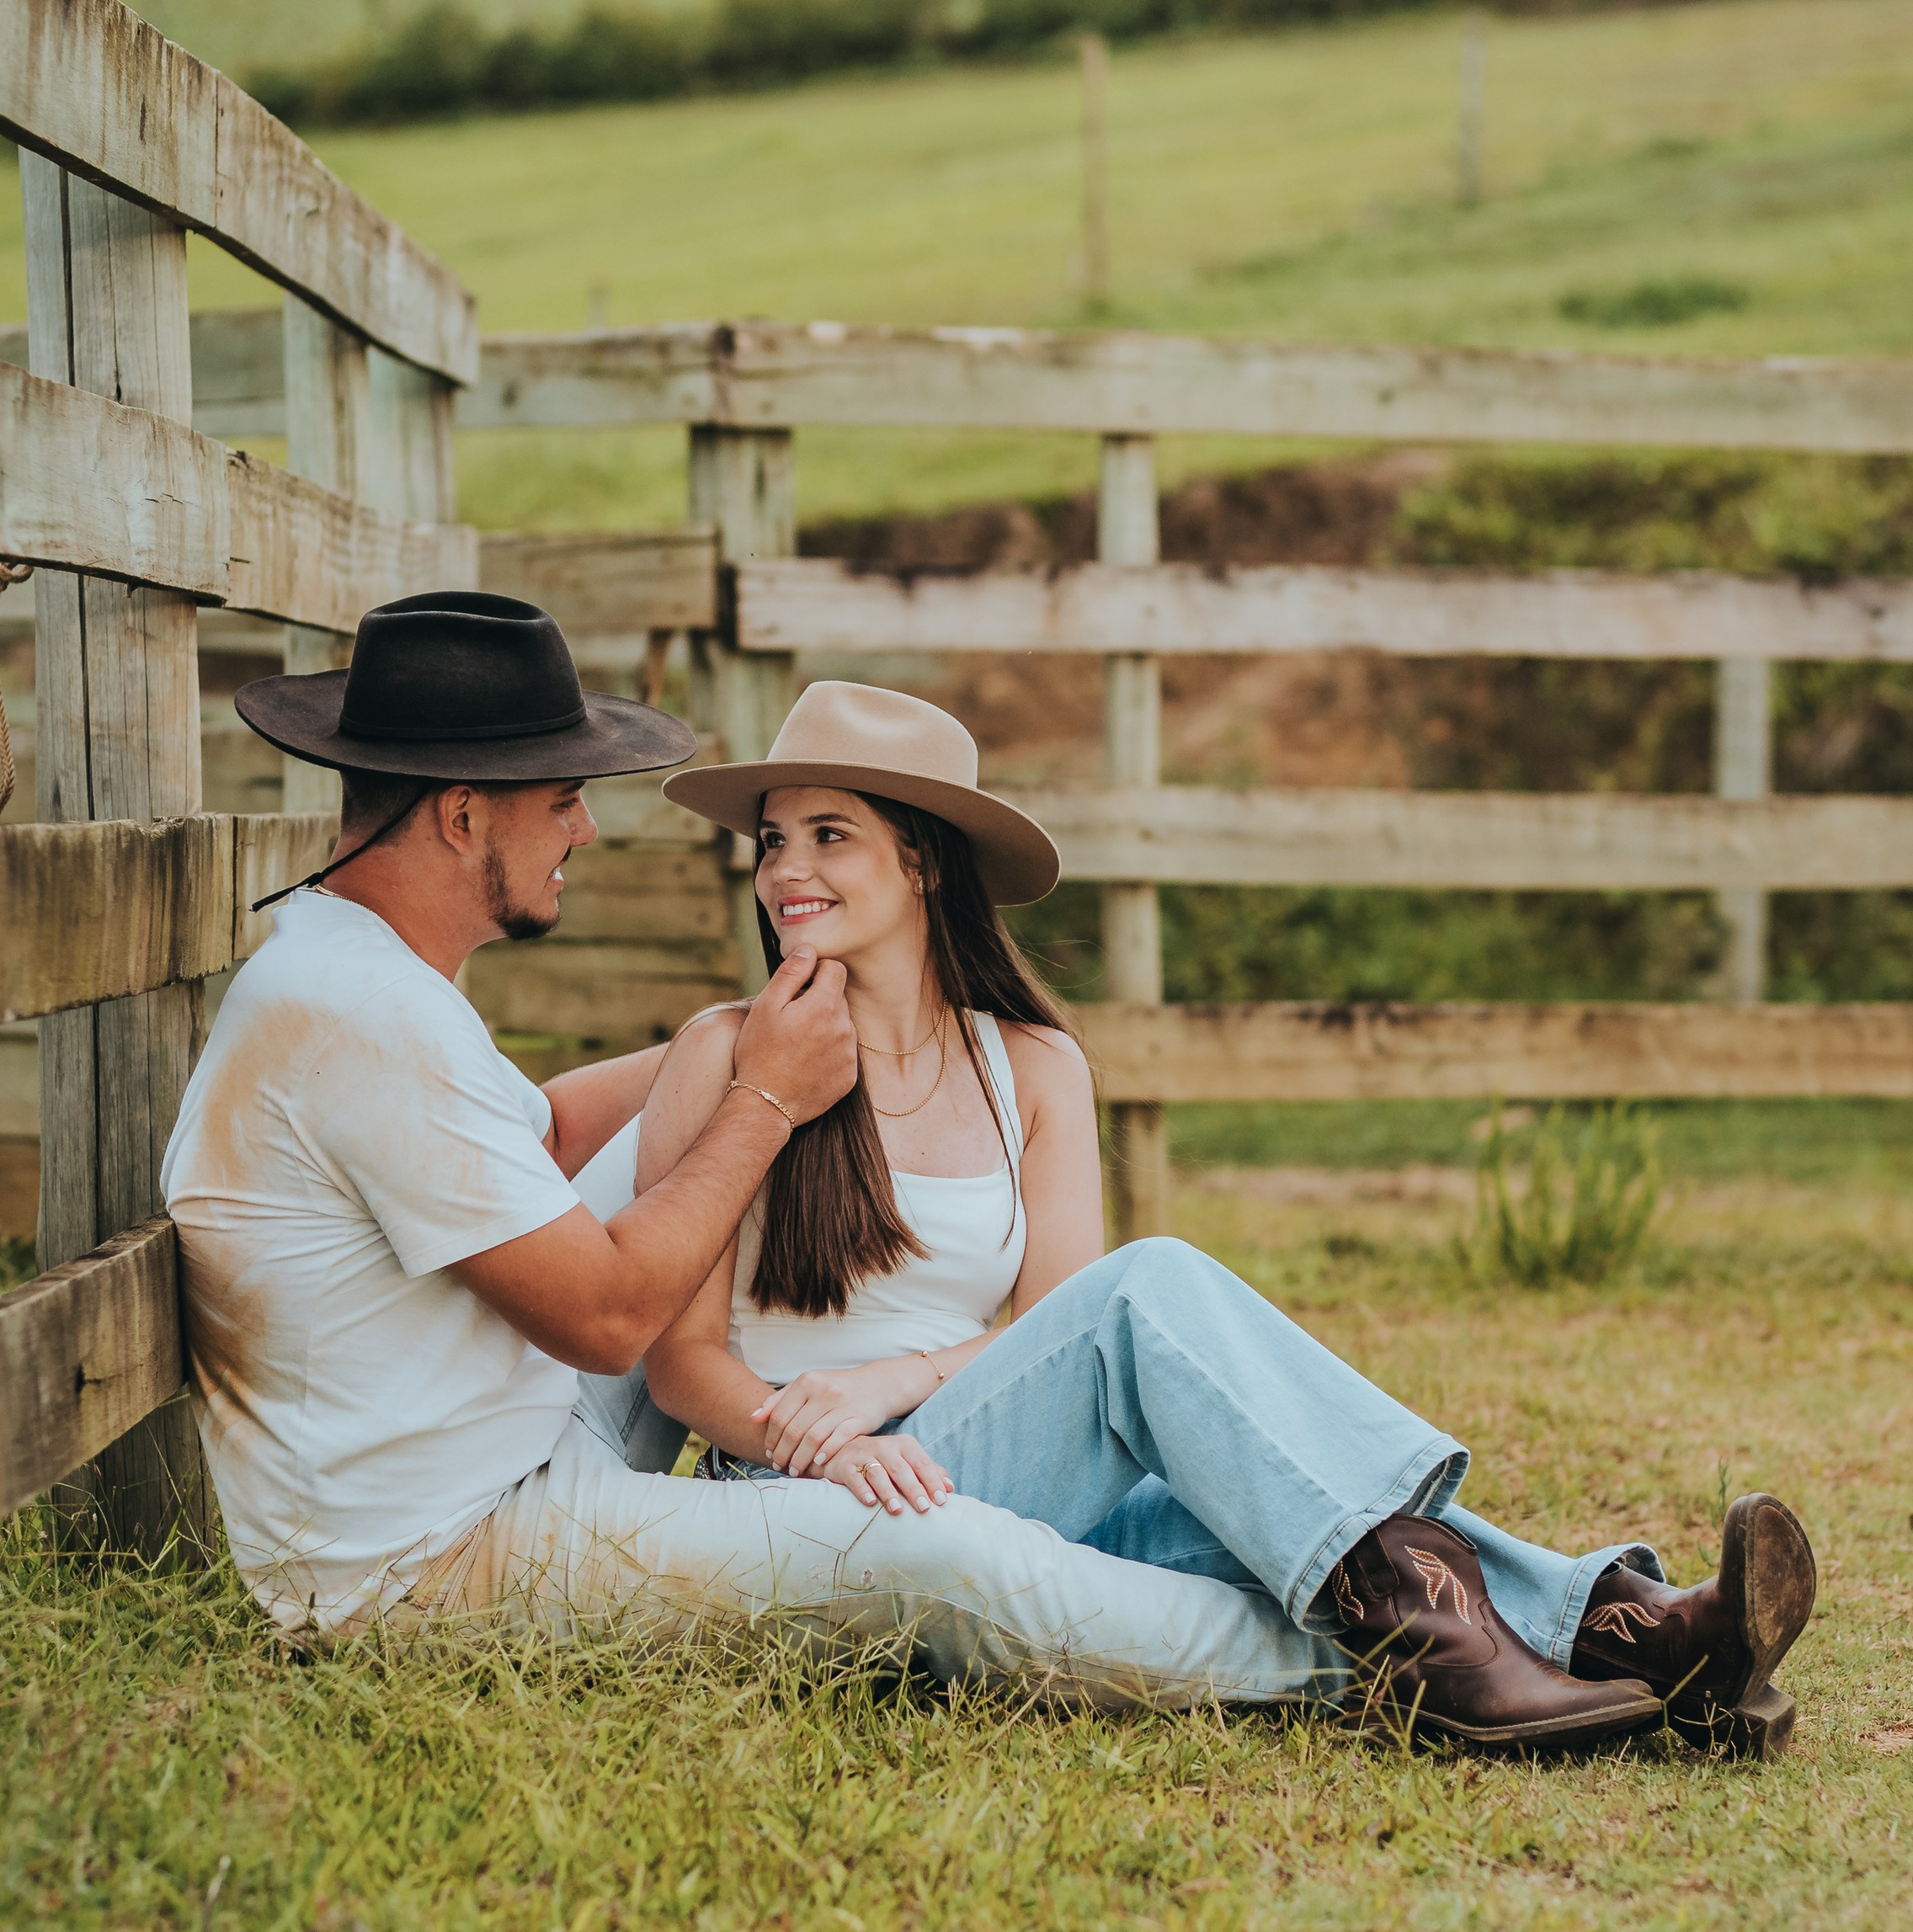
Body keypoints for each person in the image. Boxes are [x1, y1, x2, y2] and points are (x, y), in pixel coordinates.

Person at [162, 597, 1810, 1753]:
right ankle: (1480, 1664)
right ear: (461, 814)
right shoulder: (375, 1015)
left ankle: (1604, 1628)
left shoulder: (376, 1001)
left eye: (829, 836)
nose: (586, 833)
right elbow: (617, 1324)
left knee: (1190, 1488)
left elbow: (499, 1138)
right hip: (519, 1526)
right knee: (1095, 1385)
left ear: (917, 866)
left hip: (635, 1462)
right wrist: (748, 1090)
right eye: (558, 801)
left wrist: (718, 1068)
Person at [626, 679, 1817, 1759]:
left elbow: (1051, 1329)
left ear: (923, 862)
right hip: (808, 1496)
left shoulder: (1031, 1067)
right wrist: (819, 1431)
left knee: (1270, 1499)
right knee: (1152, 1293)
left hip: (981, 1455)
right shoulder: (728, 1052)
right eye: (775, 839)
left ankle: (1644, 1643)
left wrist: (902, 1377)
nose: (787, 868)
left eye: (830, 835)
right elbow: (675, 1360)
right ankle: (1524, 1644)